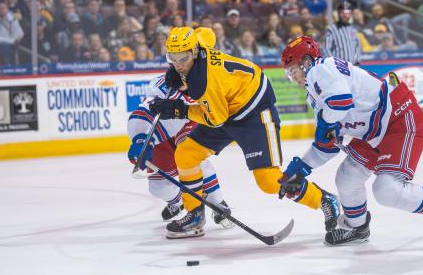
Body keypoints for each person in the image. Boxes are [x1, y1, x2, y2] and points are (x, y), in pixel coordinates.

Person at [147, 27, 340, 239]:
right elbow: (207, 32)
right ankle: (194, 215)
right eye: (172, 58)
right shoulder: (199, 42)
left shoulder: (204, 82)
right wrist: (180, 76)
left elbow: (214, 119)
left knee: (268, 180)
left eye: (183, 58)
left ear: (194, 52)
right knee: (186, 153)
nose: (178, 64)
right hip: (228, 104)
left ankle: (323, 200)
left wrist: (178, 109)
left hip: (254, 112)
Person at [279, 36, 423, 247]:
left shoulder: (321, 69)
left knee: (386, 189)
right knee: (347, 177)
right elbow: (329, 143)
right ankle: (357, 227)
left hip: (399, 119)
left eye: (293, 70)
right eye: (289, 74)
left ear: (306, 61)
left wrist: (324, 123)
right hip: (374, 133)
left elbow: (340, 103)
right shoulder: (315, 93)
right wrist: (301, 168)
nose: (293, 78)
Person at [127, 74, 234, 235]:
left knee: (194, 158)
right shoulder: (163, 85)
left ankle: (219, 204)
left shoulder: (208, 83)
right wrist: (140, 140)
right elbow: (143, 112)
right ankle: (178, 201)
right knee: (157, 188)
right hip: (161, 134)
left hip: (189, 122)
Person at [324, 1, 361, 65]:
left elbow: (357, 47)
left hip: (352, 67)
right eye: (342, 12)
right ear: (338, 14)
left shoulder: (353, 29)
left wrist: (357, 62)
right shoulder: (332, 29)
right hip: (338, 68)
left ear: (350, 14)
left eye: (347, 12)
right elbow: (326, 49)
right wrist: (334, 64)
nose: (345, 15)